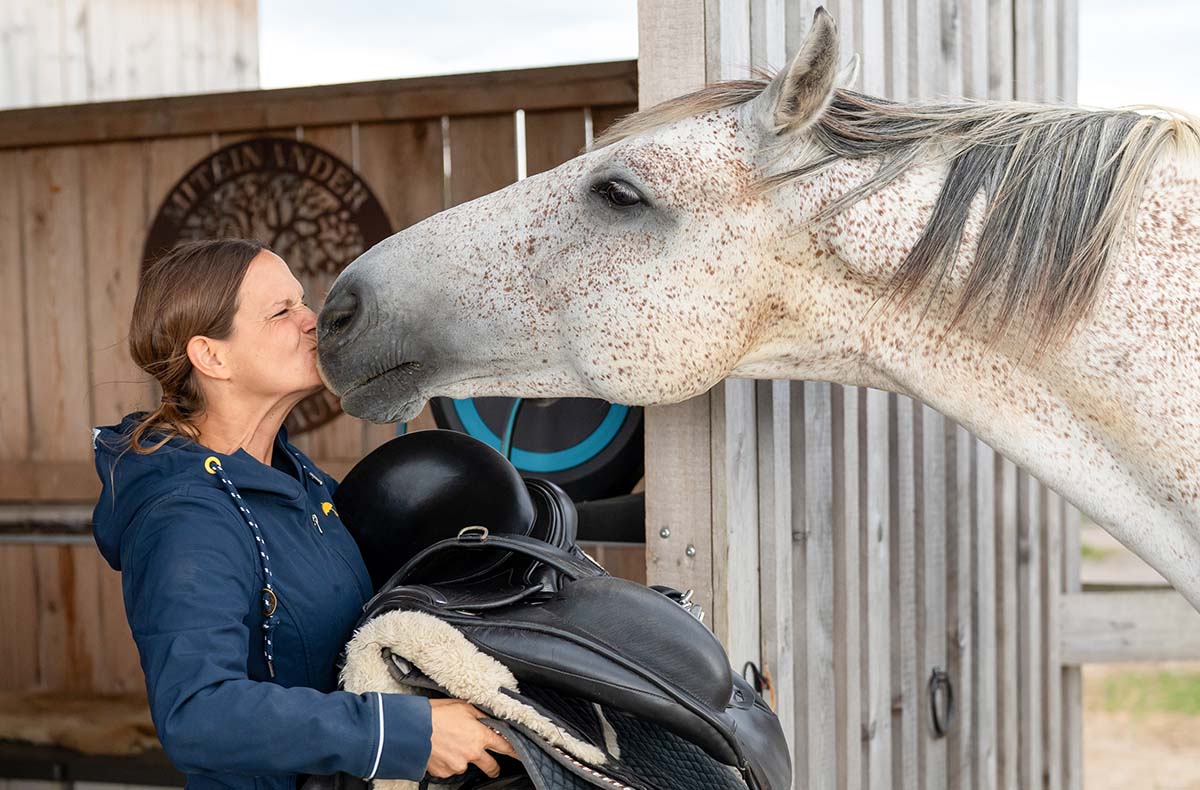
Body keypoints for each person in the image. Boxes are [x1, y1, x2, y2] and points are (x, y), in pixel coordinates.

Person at [91, 238, 515, 790]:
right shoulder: (187, 517)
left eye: (303, 302)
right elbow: (197, 713)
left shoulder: (295, 477)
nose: (312, 320)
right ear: (212, 357)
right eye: (281, 312)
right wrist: (406, 733)